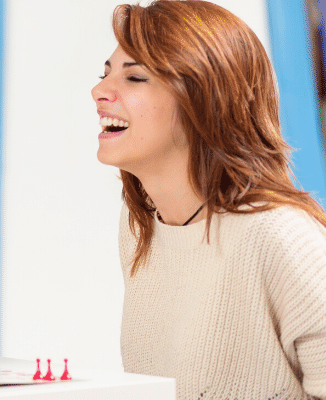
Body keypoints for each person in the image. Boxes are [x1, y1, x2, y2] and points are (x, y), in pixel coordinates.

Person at [91, 1, 326, 398]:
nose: (99, 91)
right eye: (105, 74)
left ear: (202, 99)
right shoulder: (142, 227)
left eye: (135, 78)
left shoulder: (281, 237)